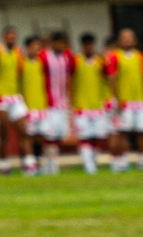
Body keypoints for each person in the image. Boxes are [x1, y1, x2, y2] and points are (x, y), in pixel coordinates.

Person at [0, 28, 29, 175]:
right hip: (0, 96)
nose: (12, 39)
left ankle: (27, 163)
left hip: (14, 96)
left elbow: (20, 72)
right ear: (3, 37)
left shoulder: (18, 52)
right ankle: (4, 163)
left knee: (24, 130)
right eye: (9, 36)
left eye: (14, 36)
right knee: (4, 133)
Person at [38, 31, 76, 175]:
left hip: (63, 102)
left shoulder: (69, 57)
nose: (61, 45)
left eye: (63, 43)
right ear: (52, 43)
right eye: (58, 42)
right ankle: (50, 164)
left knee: (59, 135)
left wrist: (71, 100)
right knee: (49, 135)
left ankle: (50, 161)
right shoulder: (44, 56)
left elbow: (72, 76)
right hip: (48, 102)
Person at [107, 28, 143, 172]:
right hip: (124, 101)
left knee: (141, 132)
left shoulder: (139, 57)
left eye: (130, 37)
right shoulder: (114, 57)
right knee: (123, 132)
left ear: (135, 40)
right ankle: (122, 161)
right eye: (125, 37)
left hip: (139, 100)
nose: (128, 40)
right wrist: (116, 98)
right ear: (119, 41)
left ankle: (141, 160)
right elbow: (112, 79)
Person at [73, 34, 110, 175]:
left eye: (91, 44)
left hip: (98, 105)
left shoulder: (100, 61)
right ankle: (88, 166)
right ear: (82, 46)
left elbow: (107, 78)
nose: (89, 47)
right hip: (81, 106)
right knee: (84, 137)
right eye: (86, 45)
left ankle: (93, 162)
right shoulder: (76, 61)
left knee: (96, 137)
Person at [19, 36, 47, 176]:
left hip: (41, 105)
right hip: (26, 106)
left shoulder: (42, 63)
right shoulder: (21, 63)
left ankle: (36, 162)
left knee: (38, 137)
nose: (37, 50)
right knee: (27, 136)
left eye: (39, 47)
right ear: (28, 48)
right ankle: (27, 164)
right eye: (34, 46)